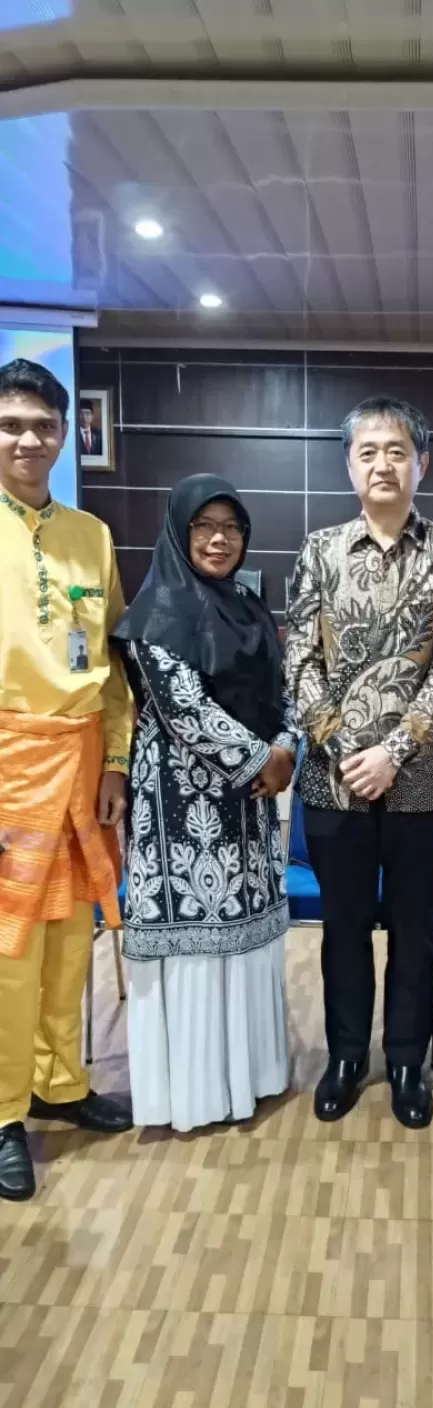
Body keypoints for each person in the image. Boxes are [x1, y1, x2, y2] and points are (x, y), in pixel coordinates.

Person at [285, 396, 433, 1129]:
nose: (382, 464)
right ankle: (345, 1056)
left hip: (420, 779)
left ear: (421, 463)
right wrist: (345, 749)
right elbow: (299, 658)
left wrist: (394, 752)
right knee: (341, 927)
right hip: (333, 781)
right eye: (367, 452)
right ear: (349, 466)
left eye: (397, 451)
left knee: (414, 929)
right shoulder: (319, 550)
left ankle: (406, 1059)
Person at [112, 474, 297, 1133]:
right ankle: (191, 1095)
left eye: (232, 528)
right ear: (178, 531)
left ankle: (251, 1076)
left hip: (249, 807)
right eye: (204, 527)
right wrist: (265, 759)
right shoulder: (157, 613)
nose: (220, 540)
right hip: (181, 812)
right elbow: (184, 711)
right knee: (195, 948)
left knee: (244, 942)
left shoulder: (248, 608)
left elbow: (285, 690)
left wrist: (288, 746)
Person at [0, 358, 133, 1203]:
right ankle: (3, 1111)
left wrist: (116, 761)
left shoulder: (91, 535)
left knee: (71, 940)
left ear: (64, 435)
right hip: (7, 769)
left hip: (81, 765)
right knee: (8, 952)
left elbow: (112, 664)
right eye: (11, 424)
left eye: (43, 426)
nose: (27, 439)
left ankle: (59, 1080)